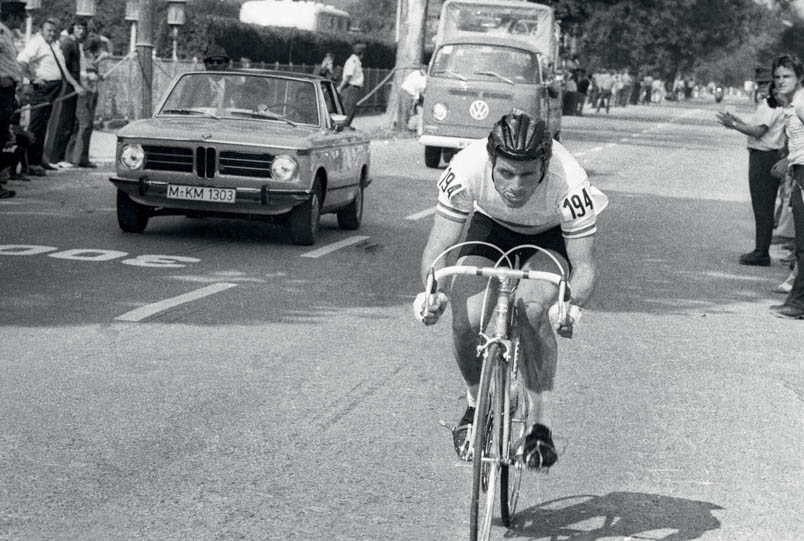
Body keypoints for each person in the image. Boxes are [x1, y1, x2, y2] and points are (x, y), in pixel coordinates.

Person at [414, 112, 601, 468]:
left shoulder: (571, 181)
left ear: (545, 165)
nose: (516, 185)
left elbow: (586, 268)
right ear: (491, 162)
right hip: (492, 226)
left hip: (549, 235)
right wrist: (431, 291)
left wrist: (569, 306)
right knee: (465, 321)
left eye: (528, 175)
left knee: (531, 309)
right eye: (506, 173)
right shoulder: (466, 167)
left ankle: (540, 427)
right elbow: (438, 249)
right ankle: (474, 403)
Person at [716, 75, 786, 266]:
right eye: (760, 83)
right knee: (761, 205)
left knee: (763, 205)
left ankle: (762, 251)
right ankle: (760, 248)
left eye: (767, 83)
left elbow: (759, 132)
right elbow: (756, 127)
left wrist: (734, 125)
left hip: (765, 156)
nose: (763, 87)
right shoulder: (767, 104)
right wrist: (737, 121)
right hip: (763, 154)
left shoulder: (772, 106)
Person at [16, 17, 84, 176]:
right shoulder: (36, 43)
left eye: (54, 31)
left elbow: (63, 70)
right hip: (42, 90)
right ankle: (31, 164)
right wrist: (33, 78)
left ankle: (40, 160)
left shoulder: (54, 45)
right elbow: (21, 62)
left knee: (45, 126)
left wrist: (75, 84)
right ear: (41, 30)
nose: (52, 34)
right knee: (36, 126)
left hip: (55, 89)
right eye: (49, 31)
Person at [769, 54, 804, 319]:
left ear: (799, 77)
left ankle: (799, 304)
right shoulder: (794, 103)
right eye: (778, 76)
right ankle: (797, 300)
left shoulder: (802, 103)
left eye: (787, 76)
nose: (780, 81)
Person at [51, 16, 87, 168]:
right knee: (62, 122)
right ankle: (54, 158)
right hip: (66, 86)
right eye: (79, 27)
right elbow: (63, 68)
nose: (82, 31)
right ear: (72, 27)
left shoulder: (76, 44)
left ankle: (61, 157)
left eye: (83, 28)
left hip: (73, 86)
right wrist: (74, 84)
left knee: (69, 122)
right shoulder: (67, 43)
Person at [65, 35, 105, 168]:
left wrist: (98, 76)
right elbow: (85, 76)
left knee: (88, 126)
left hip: (92, 94)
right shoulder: (83, 58)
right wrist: (93, 76)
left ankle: (83, 157)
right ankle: (75, 158)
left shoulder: (91, 58)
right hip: (84, 95)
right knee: (84, 125)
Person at [0, 0, 25, 198]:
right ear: (12, 16)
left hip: (8, 90)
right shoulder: (0, 33)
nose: (23, 20)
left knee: (2, 137)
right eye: (21, 16)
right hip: (2, 90)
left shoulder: (7, 33)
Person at [337, 43, 365, 118]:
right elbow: (348, 76)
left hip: (354, 89)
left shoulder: (357, 61)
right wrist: (340, 87)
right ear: (361, 53)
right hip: (350, 88)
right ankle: (343, 127)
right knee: (347, 109)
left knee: (351, 109)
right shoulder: (352, 61)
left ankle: (346, 126)